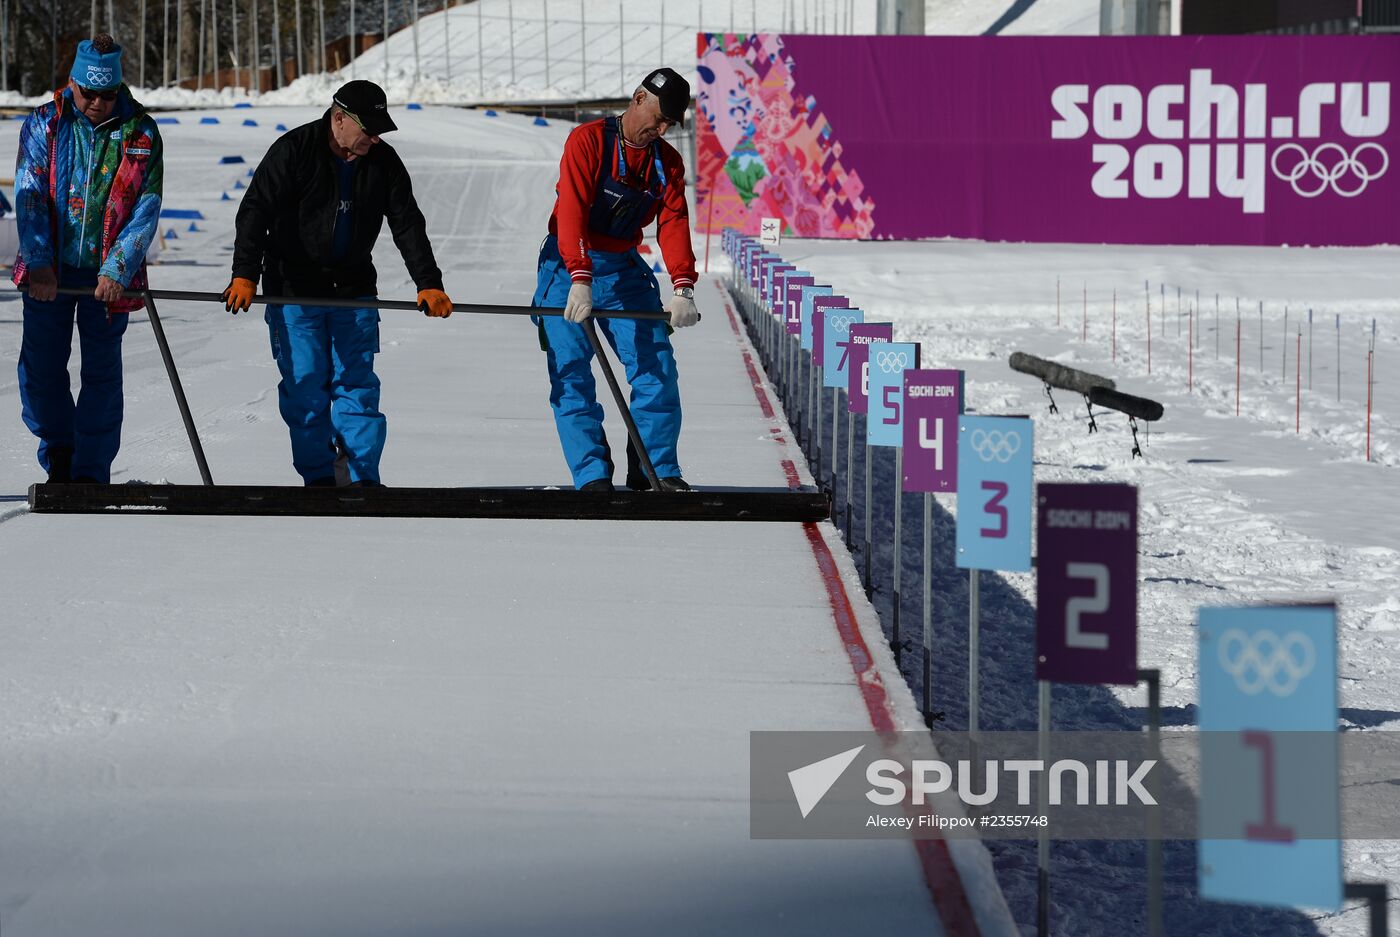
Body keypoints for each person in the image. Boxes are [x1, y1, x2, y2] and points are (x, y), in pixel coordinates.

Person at [223, 80, 452, 487]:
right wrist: (245, 273)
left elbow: (407, 223)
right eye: (369, 128)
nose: (375, 137)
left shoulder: (383, 161)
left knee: (357, 386)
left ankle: (363, 483)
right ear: (339, 119)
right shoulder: (294, 150)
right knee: (306, 388)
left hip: (354, 290)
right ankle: (320, 483)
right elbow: (255, 211)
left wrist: (428, 282)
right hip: (294, 290)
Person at [531, 67, 700, 493]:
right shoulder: (588, 141)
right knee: (571, 374)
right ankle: (591, 476)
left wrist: (682, 286)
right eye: (658, 118)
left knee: (655, 368)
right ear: (638, 98)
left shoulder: (668, 163)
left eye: (668, 125)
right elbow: (571, 208)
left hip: (624, 271)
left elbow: (674, 222)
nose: (660, 129)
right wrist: (579, 274)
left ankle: (654, 469)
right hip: (568, 267)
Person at [12, 34, 162, 484]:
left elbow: (146, 207)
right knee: (41, 368)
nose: (97, 102)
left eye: (107, 93)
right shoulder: (44, 124)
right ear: (72, 83)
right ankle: (59, 452)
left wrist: (119, 268)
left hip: (107, 276)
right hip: (49, 271)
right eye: (88, 93)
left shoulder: (141, 132)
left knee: (101, 372)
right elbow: (30, 194)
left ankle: (91, 470)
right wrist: (38, 261)